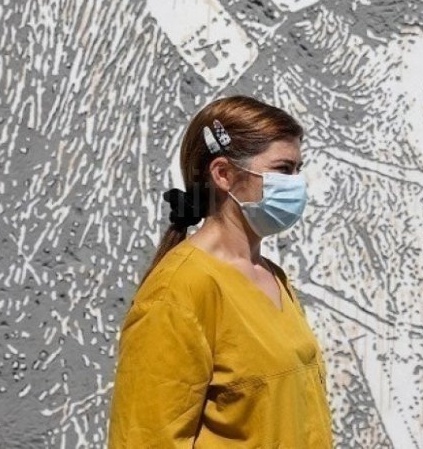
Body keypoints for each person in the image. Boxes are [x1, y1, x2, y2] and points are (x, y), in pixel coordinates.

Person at [107, 95, 333, 448]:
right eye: (283, 169)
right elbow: (146, 438)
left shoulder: (272, 277)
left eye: (297, 170)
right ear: (224, 174)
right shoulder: (178, 289)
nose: (297, 184)